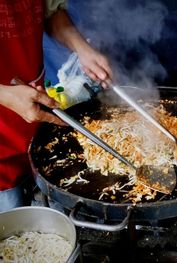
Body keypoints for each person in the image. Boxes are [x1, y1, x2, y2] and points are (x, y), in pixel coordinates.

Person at [0, 0, 112, 212]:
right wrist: (4, 94)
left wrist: (82, 49)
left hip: (35, 115)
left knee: (54, 220)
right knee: (12, 231)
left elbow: (50, 13)